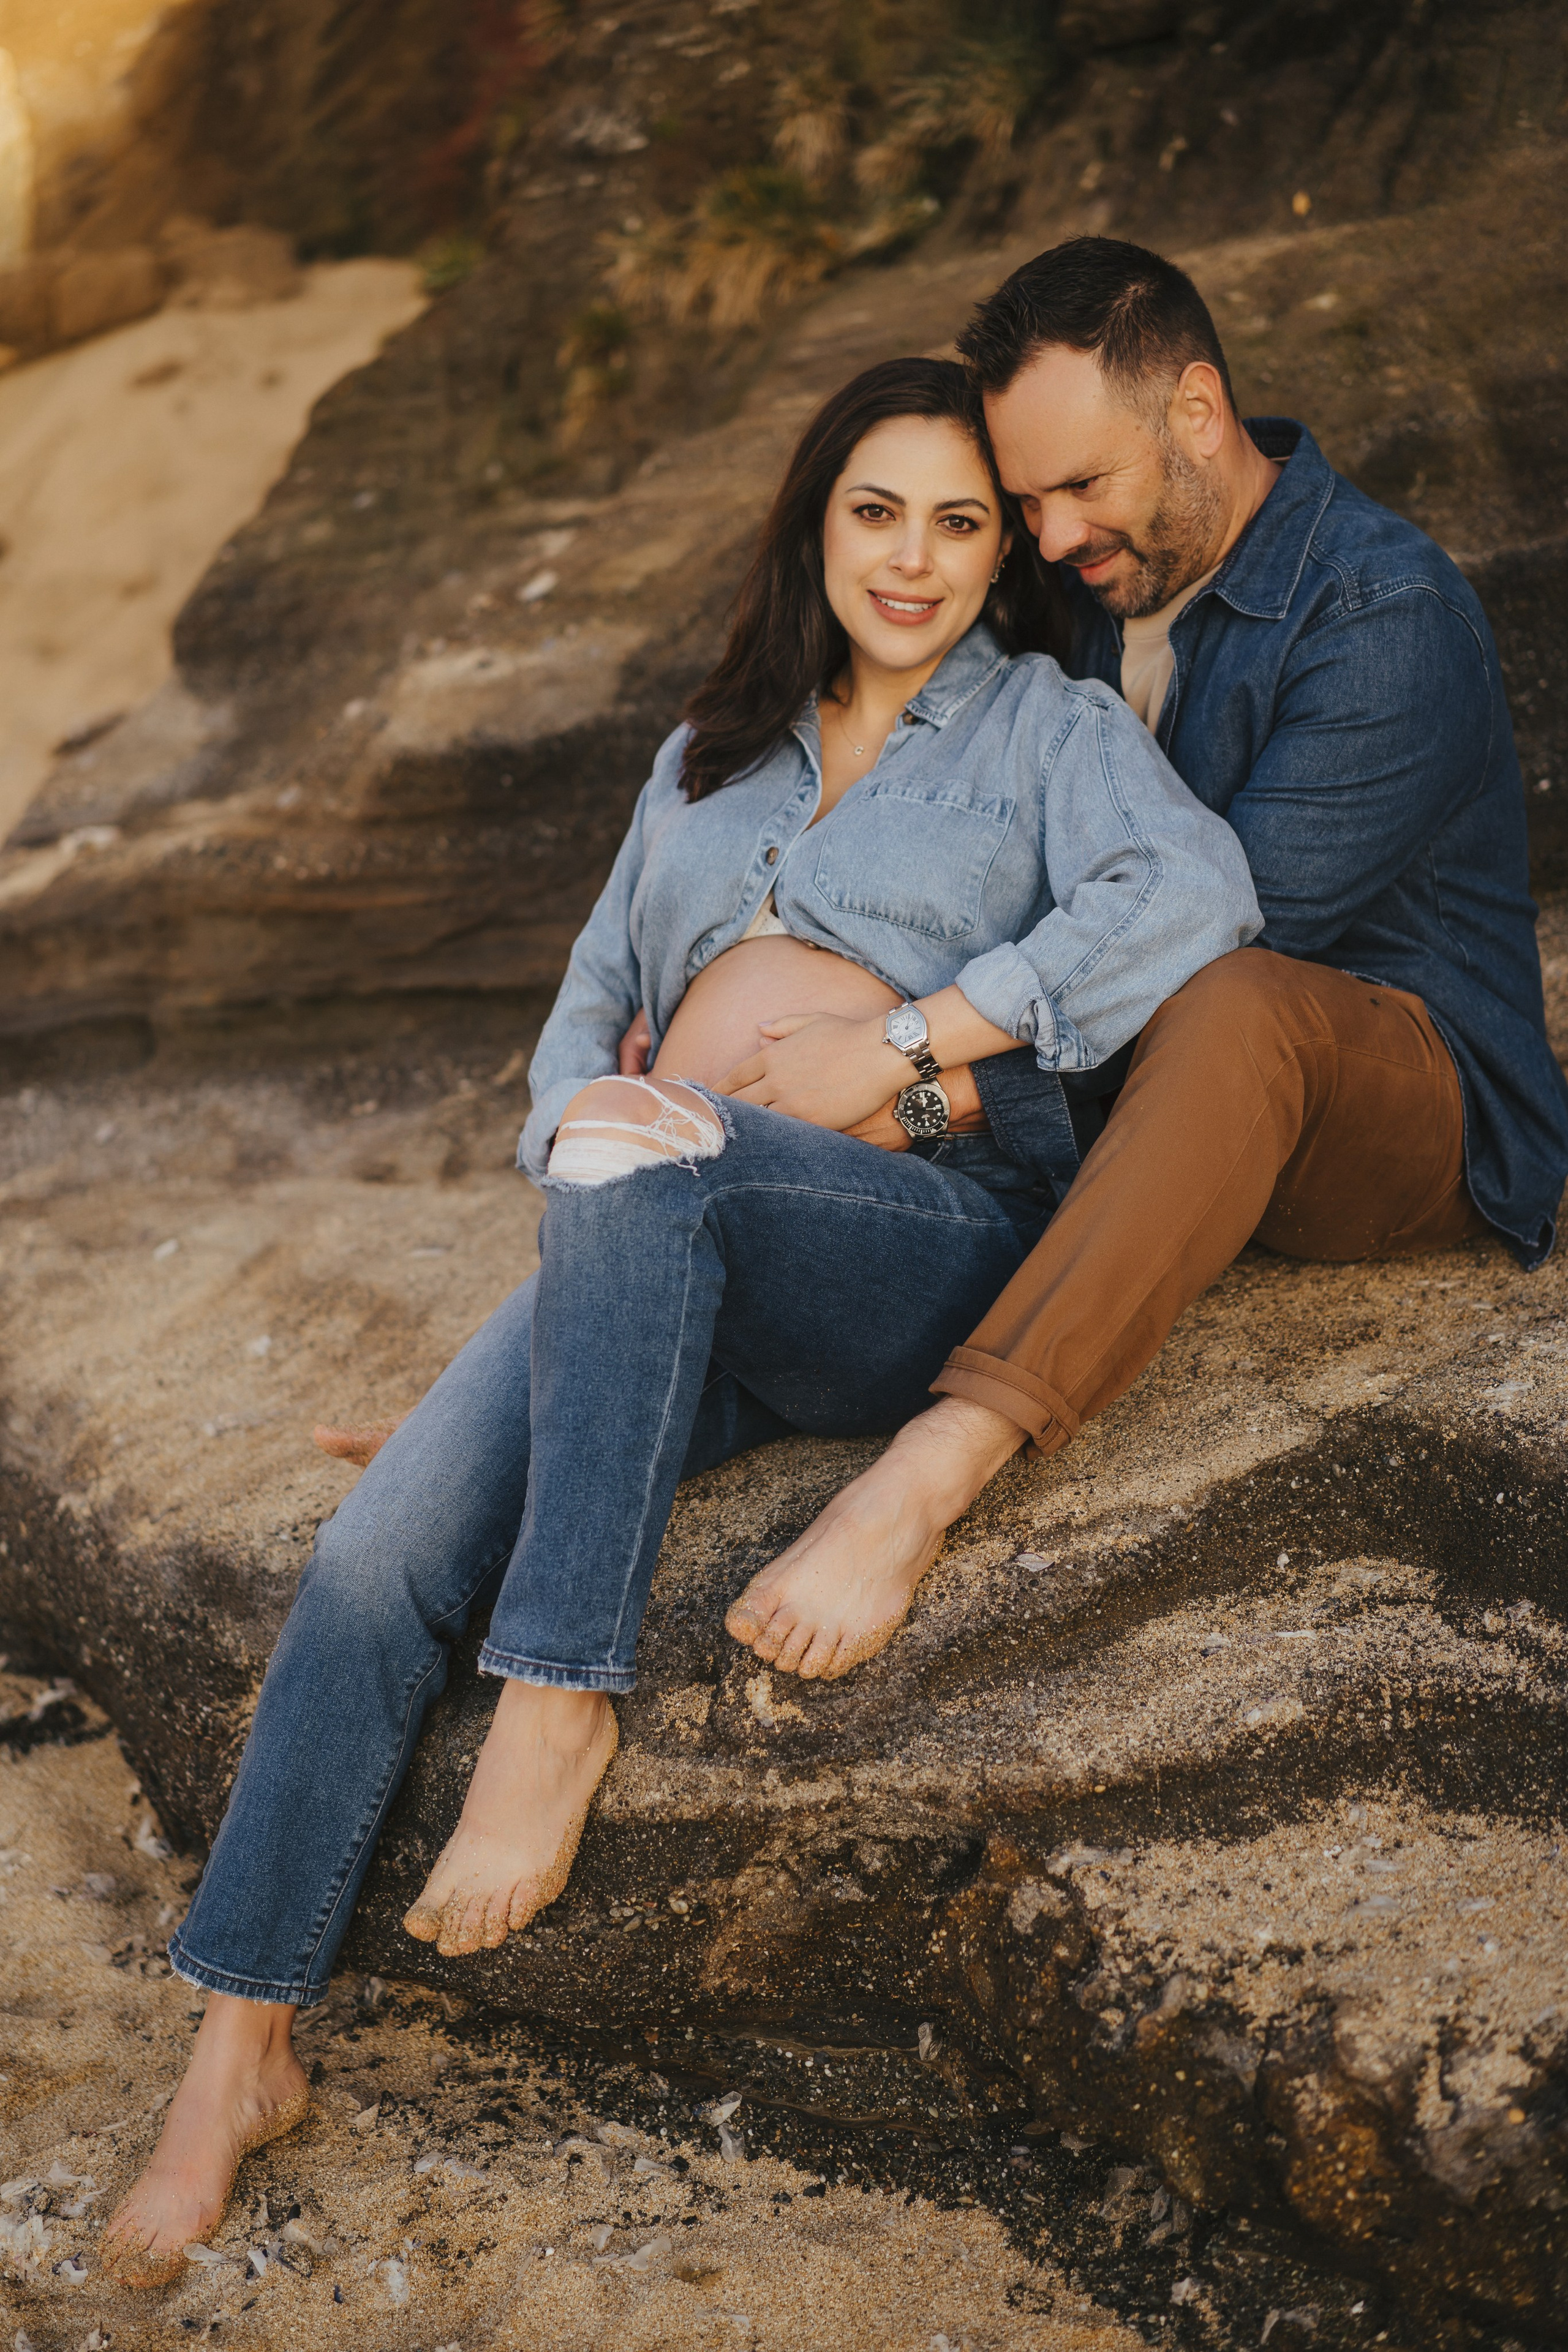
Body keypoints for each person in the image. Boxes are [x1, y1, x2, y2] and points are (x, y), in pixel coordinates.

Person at [102, 356, 1261, 2288]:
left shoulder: (1048, 731)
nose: (917, 557)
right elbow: (580, 1022)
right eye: (878, 511)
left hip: (908, 1242)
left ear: (1003, 555)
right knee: (382, 1552)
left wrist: (908, 1039)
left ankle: (557, 1708)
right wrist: (587, 1132)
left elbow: (1197, 893)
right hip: (649, 1220)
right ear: (817, 520)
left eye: (964, 522)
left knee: (654, 1157)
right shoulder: (704, 756)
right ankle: (237, 2057)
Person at [724, 237, 1568, 1683]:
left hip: (1398, 1096)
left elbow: (1192, 956)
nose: (1046, 537)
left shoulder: (1380, 619)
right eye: (1025, 498)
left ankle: (933, 1471)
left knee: (1224, 1000)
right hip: (1127, 1087)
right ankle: (598, 1406)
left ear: (1193, 412)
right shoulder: (1079, 591)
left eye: (1079, 486)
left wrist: (912, 1076)